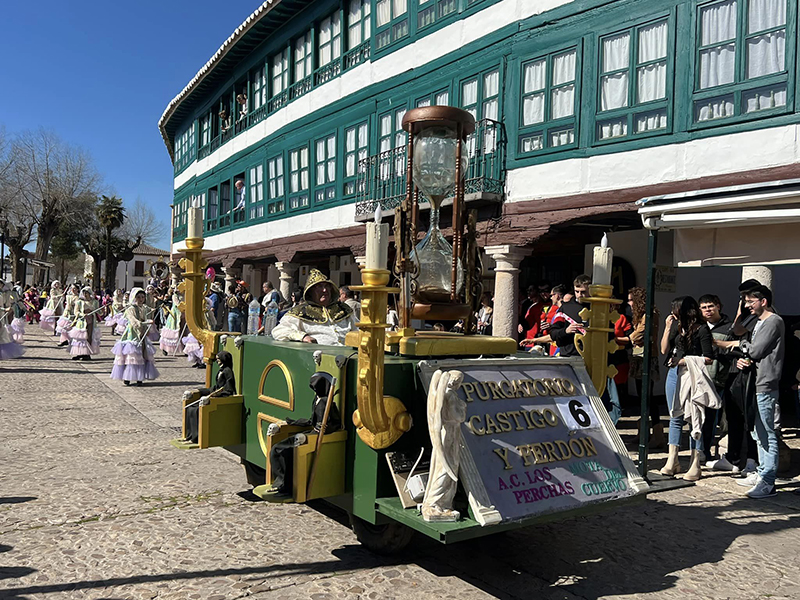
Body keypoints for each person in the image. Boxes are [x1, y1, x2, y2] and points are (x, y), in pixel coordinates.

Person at [719, 286, 784, 498]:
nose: (747, 305)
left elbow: (755, 350)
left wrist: (739, 345)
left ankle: (768, 481)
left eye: (751, 301)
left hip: (766, 384)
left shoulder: (773, 321)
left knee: (768, 432)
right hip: (756, 383)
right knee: (758, 432)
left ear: (763, 301)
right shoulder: (759, 323)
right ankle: (763, 472)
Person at [660, 296, 716, 481]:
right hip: (673, 374)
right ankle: (672, 460)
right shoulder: (677, 329)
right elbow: (663, 350)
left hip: (691, 375)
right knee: (675, 416)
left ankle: (695, 462)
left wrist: (685, 361)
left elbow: (708, 357)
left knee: (694, 418)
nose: (672, 313)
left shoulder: (701, 330)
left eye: (674, 309)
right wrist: (667, 328)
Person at [264, 372, 341, 499]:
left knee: (280, 450)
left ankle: (284, 485)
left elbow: (336, 423)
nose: (314, 389)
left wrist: (326, 429)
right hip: (310, 433)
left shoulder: (326, 403)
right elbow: (311, 421)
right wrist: (291, 422)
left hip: (314, 437)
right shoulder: (317, 400)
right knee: (277, 449)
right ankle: (281, 483)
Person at [622, 287, 663, 448]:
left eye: (631, 299)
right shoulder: (641, 315)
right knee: (642, 396)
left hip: (646, 358)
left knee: (648, 397)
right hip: (638, 356)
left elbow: (637, 335)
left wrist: (619, 339)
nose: (629, 303)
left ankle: (657, 433)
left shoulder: (649, 315)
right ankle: (643, 433)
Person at [271, 269, 357, 345]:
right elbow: (279, 331)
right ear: (310, 291)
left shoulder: (344, 309)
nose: (324, 290)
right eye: (319, 287)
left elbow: (358, 330)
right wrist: (303, 336)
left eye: (327, 286)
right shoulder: (300, 311)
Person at [697, 294, 733, 463]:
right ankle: (703, 450)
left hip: (721, 378)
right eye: (703, 307)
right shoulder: (697, 326)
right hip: (700, 377)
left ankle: (724, 453)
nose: (707, 310)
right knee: (703, 417)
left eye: (710, 306)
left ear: (719, 306)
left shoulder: (730, 327)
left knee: (723, 419)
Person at [181, 351, 237, 444]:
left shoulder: (227, 371)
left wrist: (214, 395)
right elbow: (215, 387)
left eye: (218, 359)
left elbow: (228, 389)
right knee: (190, 408)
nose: (217, 361)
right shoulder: (221, 370)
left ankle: (196, 437)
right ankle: (189, 435)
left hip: (221, 398)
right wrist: (199, 391)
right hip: (215, 394)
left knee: (196, 410)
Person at [111, 287, 160, 386]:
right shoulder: (130, 309)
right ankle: (127, 377)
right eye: (138, 297)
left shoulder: (144, 308)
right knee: (132, 355)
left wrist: (152, 315)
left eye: (142, 297)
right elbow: (133, 320)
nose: (141, 299)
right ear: (134, 297)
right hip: (132, 334)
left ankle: (139, 377)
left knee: (142, 354)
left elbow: (149, 312)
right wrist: (143, 323)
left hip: (142, 333)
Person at [550, 275, 591, 358]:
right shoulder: (565, 308)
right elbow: (553, 333)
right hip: (569, 355)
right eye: (577, 291)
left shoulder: (598, 308)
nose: (579, 295)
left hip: (592, 356)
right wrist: (566, 331)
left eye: (583, 292)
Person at [68, 287, 101, 361]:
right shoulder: (79, 302)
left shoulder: (94, 302)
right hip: (82, 321)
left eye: (87, 293)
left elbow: (98, 312)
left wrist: (102, 310)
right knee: (81, 337)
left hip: (91, 321)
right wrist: (82, 314)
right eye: (84, 293)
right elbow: (76, 312)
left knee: (89, 337)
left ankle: (87, 354)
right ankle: (80, 353)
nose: (85, 295)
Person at [0, 281, 25, 359]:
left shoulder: (7, 293)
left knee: (3, 333)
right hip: (3, 312)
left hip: (3, 314)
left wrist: (24, 309)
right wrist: (4, 309)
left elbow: (16, 300)